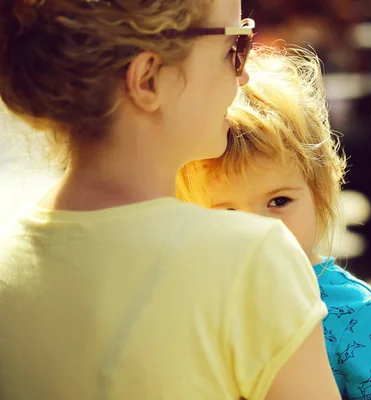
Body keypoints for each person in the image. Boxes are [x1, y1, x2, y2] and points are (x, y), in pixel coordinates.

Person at [0, 1, 341, 399]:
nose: (245, 75)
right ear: (148, 79)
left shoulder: (9, 267)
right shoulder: (252, 261)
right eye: (235, 47)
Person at [177, 46, 371, 399]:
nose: (259, 229)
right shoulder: (190, 305)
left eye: (279, 201)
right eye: (227, 213)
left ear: (319, 193)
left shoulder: (354, 310)